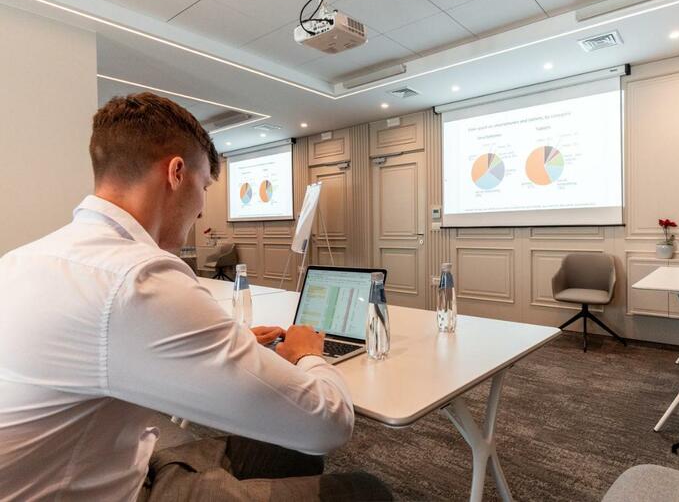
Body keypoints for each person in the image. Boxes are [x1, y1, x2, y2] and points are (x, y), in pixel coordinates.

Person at [0, 92, 391, 501]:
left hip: (115, 461)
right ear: (176, 173)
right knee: (366, 491)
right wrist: (307, 354)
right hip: (115, 491)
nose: (202, 209)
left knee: (288, 445)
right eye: (204, 185)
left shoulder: (24, 260)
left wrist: (227, 342)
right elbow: (329, 425)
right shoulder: (139, 278)